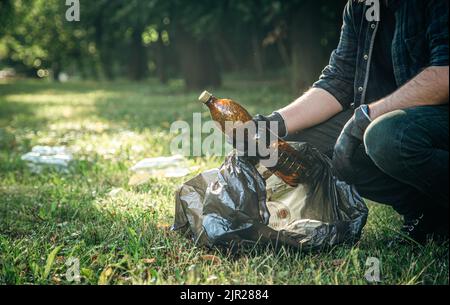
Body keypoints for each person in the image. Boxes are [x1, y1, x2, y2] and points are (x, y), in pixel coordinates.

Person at [253, 0, 449, 244]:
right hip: (385, 119)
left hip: (436, 118)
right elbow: (338, 81)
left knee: (384, 135)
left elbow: (444, 75)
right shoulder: (361, 7)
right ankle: (425, 211)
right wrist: (270, 125)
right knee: (291, 147)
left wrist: (366, 117)